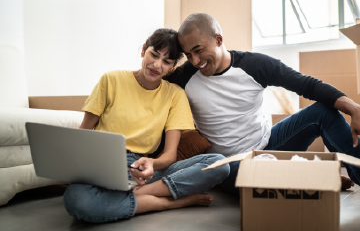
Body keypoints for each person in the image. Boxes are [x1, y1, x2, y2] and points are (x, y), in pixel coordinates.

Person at [167, 13, 360, 196]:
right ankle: (313, 176)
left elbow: (306, 85)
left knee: (323, 112)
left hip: (269, 144)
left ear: (218, 39)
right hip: (229, 164)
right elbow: (154, 91)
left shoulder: (254, 65)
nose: (195, 60)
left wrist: (353, 108)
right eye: (188, 55)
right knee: (236, 173)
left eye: (198, 51)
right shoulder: (185, 76)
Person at [63, 28, 230, 223]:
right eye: (154, 54)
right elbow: (84, 134)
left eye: (166, 61)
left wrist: (152, 163)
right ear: (144, 50)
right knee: (76, 199)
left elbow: (170, 155)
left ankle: (140, 194)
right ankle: (168, 203)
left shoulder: (175, 95)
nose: (157, 65)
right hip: (103, 164)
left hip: (142, 169)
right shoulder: (111, 79)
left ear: (172, 67)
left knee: (219, 163)